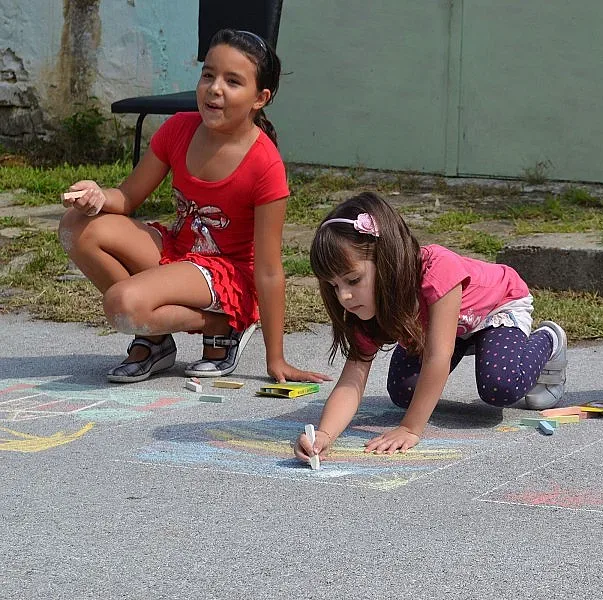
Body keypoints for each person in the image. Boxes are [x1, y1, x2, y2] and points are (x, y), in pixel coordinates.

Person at [57, 29, 329, 385]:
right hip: (179, 251)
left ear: (259, 98)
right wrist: (97, 196)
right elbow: (126, 198)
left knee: (123, 304)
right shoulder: (179, 128)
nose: (215, 88)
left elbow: (268, 269)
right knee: (75, 225)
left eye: (233, 81)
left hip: (227, 274)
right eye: (208, 75)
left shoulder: (265, 164)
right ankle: (154, 339)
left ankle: (225, 324)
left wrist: (275, 358)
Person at [293, 191, 567, 463]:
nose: (344, 296)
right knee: (404, 392)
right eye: (334, 286)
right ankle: (472, 345)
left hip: (497, 309)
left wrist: (410, 428)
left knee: (499, 387)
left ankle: (549, 339)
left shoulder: (437, 269)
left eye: (353, 280)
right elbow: (353, 376)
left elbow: (438, 356)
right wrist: (325, 433)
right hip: (449, 327)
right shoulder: (364, 308)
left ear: (388, 259)